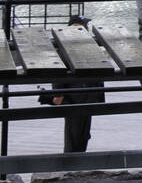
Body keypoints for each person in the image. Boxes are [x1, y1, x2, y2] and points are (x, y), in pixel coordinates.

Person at [44, 15, 105, 153]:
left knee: (82, 133)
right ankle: (71, 164)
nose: (85, 30)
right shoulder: (65, 47)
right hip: (75, 96)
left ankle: (76, 162)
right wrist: (58, 94)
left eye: (85, 27)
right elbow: (58, 71)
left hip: (88, 95)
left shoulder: (88, 45)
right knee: (74, 132)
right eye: (82, 27)